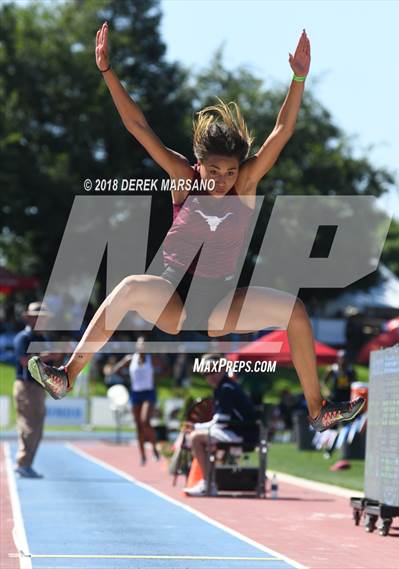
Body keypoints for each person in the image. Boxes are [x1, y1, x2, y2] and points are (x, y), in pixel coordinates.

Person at [27, 23, 365, 434]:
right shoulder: (183, 179)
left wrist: (297, 79)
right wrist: (107, 72)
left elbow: (282, 132)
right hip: (170, 294)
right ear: (197, 163)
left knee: (295, 312)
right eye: (214, 171)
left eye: (230, 171)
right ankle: (67, 373)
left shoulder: (244, 187)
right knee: (130, 287)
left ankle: (317, 409)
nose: (222, 179)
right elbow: (139, 127)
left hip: (218, 304)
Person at [183, 354, 258, 497]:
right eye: (206, 373)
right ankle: (208, 481)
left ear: (222, 368)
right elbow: (220, 423)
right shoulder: (222, 386)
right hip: (235, 430)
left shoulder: (226, 388)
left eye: (212, 371)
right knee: (196, 436)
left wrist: (196, 427)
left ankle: (208, 483)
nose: (209, 376)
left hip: (242, 434)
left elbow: (220, 422)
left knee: (195, 438)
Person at [13, 302, 61, 478]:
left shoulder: (43, 340)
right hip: (26, 386)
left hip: (38, 386)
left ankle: (26, 464)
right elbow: (25, 361)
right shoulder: (23, 337)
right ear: (31, 319)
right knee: (28, 425)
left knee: (37, 427)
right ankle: (23, 462)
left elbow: (46, 365)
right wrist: (50, 355)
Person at [105, 336, 160, 465]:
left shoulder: (152, 359)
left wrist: (157, 377)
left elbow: (166, 369)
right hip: (135, 393)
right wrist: (126, 377)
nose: (142, 347)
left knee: (145, 420)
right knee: (139, 426)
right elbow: (116, 370)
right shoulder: (130, 359)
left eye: (144, 345)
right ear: (137, 346)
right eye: (140, 345)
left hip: (149, 393)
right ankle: (142, 455)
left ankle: (154, 448)